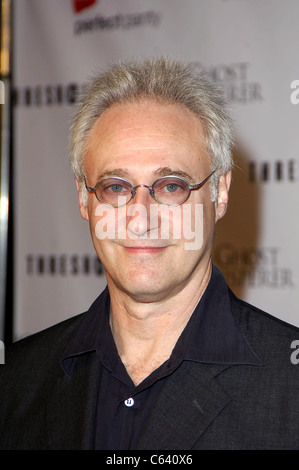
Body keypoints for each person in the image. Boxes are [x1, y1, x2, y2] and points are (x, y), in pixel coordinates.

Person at [1, 56, 299, 450]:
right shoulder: (17, 380)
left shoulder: (289, 389)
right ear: (83, 199)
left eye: (172, 186)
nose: (140, 220)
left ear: (219, 193)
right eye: (117, 187)